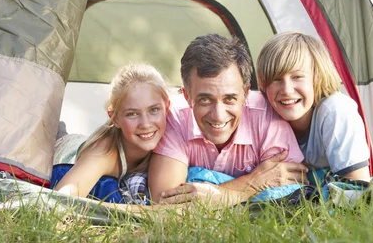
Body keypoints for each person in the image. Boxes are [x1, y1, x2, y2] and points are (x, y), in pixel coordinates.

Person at [149, 34, 306, 205]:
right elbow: (165, 203)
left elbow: (291, 193)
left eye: (229, 99)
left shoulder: (266, 116)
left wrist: (216, 195)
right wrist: (253, 182)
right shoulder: (175, 118)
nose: (218, 115)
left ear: (245, 93)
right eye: (205, 100)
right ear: (187, 97)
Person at [256, 32, 370, 181]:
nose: (287, 90)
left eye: (297, 77)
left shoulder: (336, 110)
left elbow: (358, 185)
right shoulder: (262, 114)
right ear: (264, 85)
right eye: (276, 79)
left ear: (317, 77)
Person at [55, 63, 171, 203]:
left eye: (153, 110)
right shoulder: (103, 154)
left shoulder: (174, 133)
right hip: (63, 146)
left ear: (167, 107)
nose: (146, 124)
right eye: (132, 114)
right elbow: (60, 201)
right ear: (114, 118)